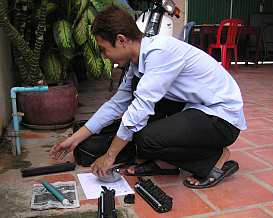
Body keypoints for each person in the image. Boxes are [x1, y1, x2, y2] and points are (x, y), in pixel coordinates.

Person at [50, 5, 247, 188]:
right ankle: (163, 164)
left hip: (221, 118)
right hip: (195, 108)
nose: (104, 55)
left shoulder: (159, 52)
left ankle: (216, 158)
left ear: (121, 40)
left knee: (144, 137)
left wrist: (110, 156)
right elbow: (116, 105)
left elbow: (139, 110)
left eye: (104, 49)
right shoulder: (136, 62)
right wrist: (74, 139)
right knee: (136, 119)